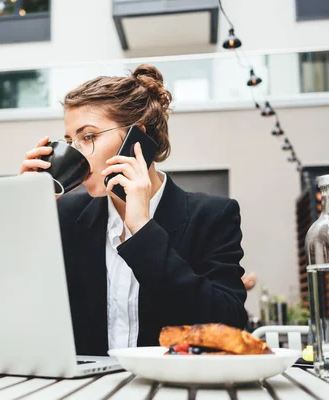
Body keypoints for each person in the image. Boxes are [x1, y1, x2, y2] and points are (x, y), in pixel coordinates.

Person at [20, 64, 247, 356]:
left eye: (88, 137)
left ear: (136, 139)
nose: (74, 151)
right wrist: (26, 214)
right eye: (68, 142)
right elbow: (23, 309)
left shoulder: (213, 215)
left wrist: (143, 231)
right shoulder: (66, 216)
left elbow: (229, 326)